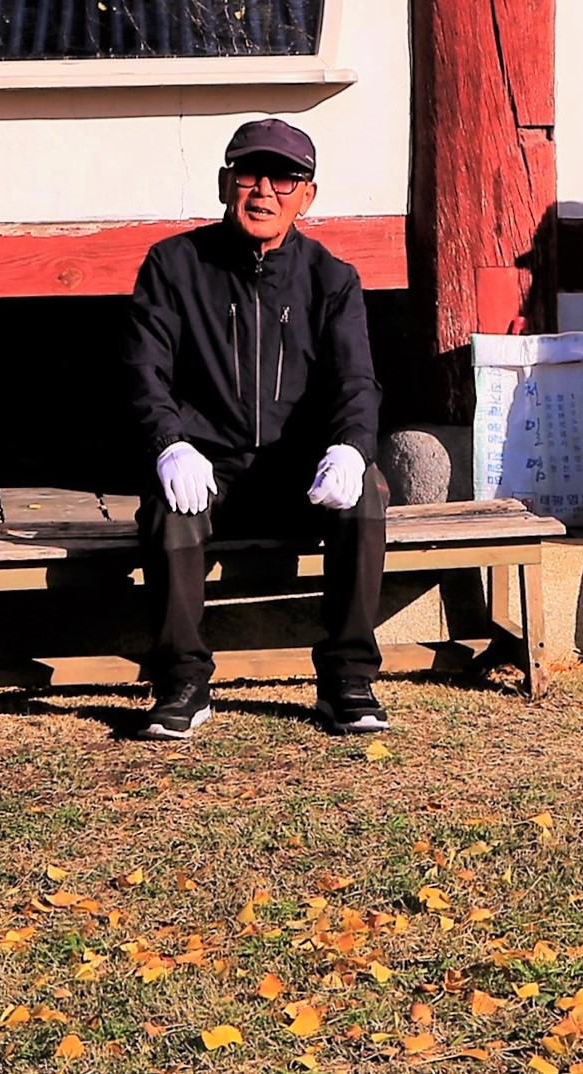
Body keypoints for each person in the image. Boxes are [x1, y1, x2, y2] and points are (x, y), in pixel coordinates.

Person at [119, 116, 387, 739]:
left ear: (307, 196)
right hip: (207, 466)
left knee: (367, 492)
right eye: (249, 175)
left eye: (285, 179)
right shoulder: (173, 265)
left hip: (298, 473)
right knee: (168, 507)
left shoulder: (332, 278)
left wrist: (350, 448)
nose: (264, 191)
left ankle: (348, 677)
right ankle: (182, 680)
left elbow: (356, 381)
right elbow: (143, 371)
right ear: (225, 184)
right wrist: (170, 444)